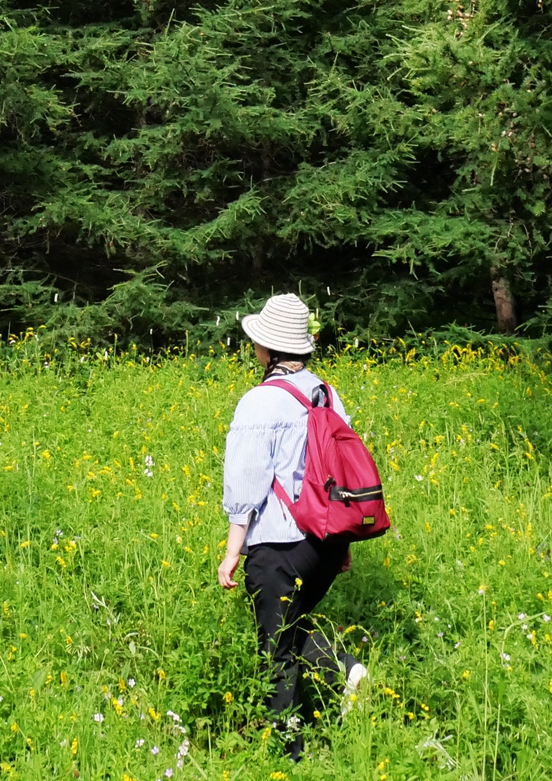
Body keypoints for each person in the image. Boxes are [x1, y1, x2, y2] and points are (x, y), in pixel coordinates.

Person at [217, 292, 367, 758]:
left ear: (268, 350)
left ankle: (289, 756)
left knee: (275, 653)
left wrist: (231, 552)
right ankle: (345, 671)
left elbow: (246, 484)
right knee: (290, 626)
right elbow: (339, 476)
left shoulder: (261, 402)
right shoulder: (326, 393)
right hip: (323, 542)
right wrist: (341, 548)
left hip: (279, 547)